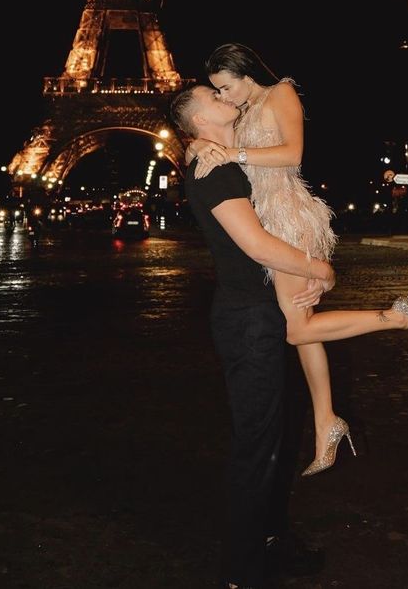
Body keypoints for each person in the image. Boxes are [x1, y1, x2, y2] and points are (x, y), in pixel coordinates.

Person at [187, 43, 408, 478]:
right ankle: (327, 421)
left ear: (245, 73)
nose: (225, 97)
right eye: (217, 93)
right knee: (305, 331)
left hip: (288, 217)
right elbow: (211, 137)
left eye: (226, 87)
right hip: (269, 219)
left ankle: (397, 317)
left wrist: (233, 155)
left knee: (297, 329)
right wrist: (199, 143)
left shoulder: (280, 93)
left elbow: (293, 154)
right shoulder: (243, 110)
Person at [169, 83, 335, 589]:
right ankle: (242, 571)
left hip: (254, 316)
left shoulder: (219, 158)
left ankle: (269, 539)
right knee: (257, 447)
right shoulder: (214, 169)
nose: (225, 97)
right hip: (249, 322)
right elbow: (258, 245)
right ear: (198, 120)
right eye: (212, 96)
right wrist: (319, 269)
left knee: (273, 441)